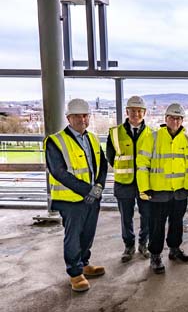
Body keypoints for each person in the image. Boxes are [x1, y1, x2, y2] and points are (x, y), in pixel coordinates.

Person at [44, 98, 108, 292]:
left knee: (88, 233)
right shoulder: (55, 141)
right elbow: (59, 172)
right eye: (77, 116)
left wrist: (98, 187)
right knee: (73, 236)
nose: (82, 119)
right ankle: (75, 273)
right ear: (68, 118)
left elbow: (102, 165)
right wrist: (87, 190)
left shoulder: (92, 138)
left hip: (92, 197)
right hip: (70, 200)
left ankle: (84, 264)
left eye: (85, 115)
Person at [137, 103, 188, 274]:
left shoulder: (186, 140)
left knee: (177, 223)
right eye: (172, 118)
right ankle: (155, 255)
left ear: (182, 120)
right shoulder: (153, 138)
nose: (175, 121)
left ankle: (174, 249)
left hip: (179, 192)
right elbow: (142, 164)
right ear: (166, 119)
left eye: (178, 118)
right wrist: (145, 187)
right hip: (158, 192)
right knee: (157, 225)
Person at [106, 96, 152, 262]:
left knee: (147, 216)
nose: (136, 114)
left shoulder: (151, 134)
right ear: (127, 112)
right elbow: (110, 156)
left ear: (144, 113)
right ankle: (129, 246)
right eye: (133, 111)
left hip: (144, 183)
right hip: (123, 183)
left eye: (139, 111)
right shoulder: (115, 132)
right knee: (126, 217)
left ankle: (143, 244)